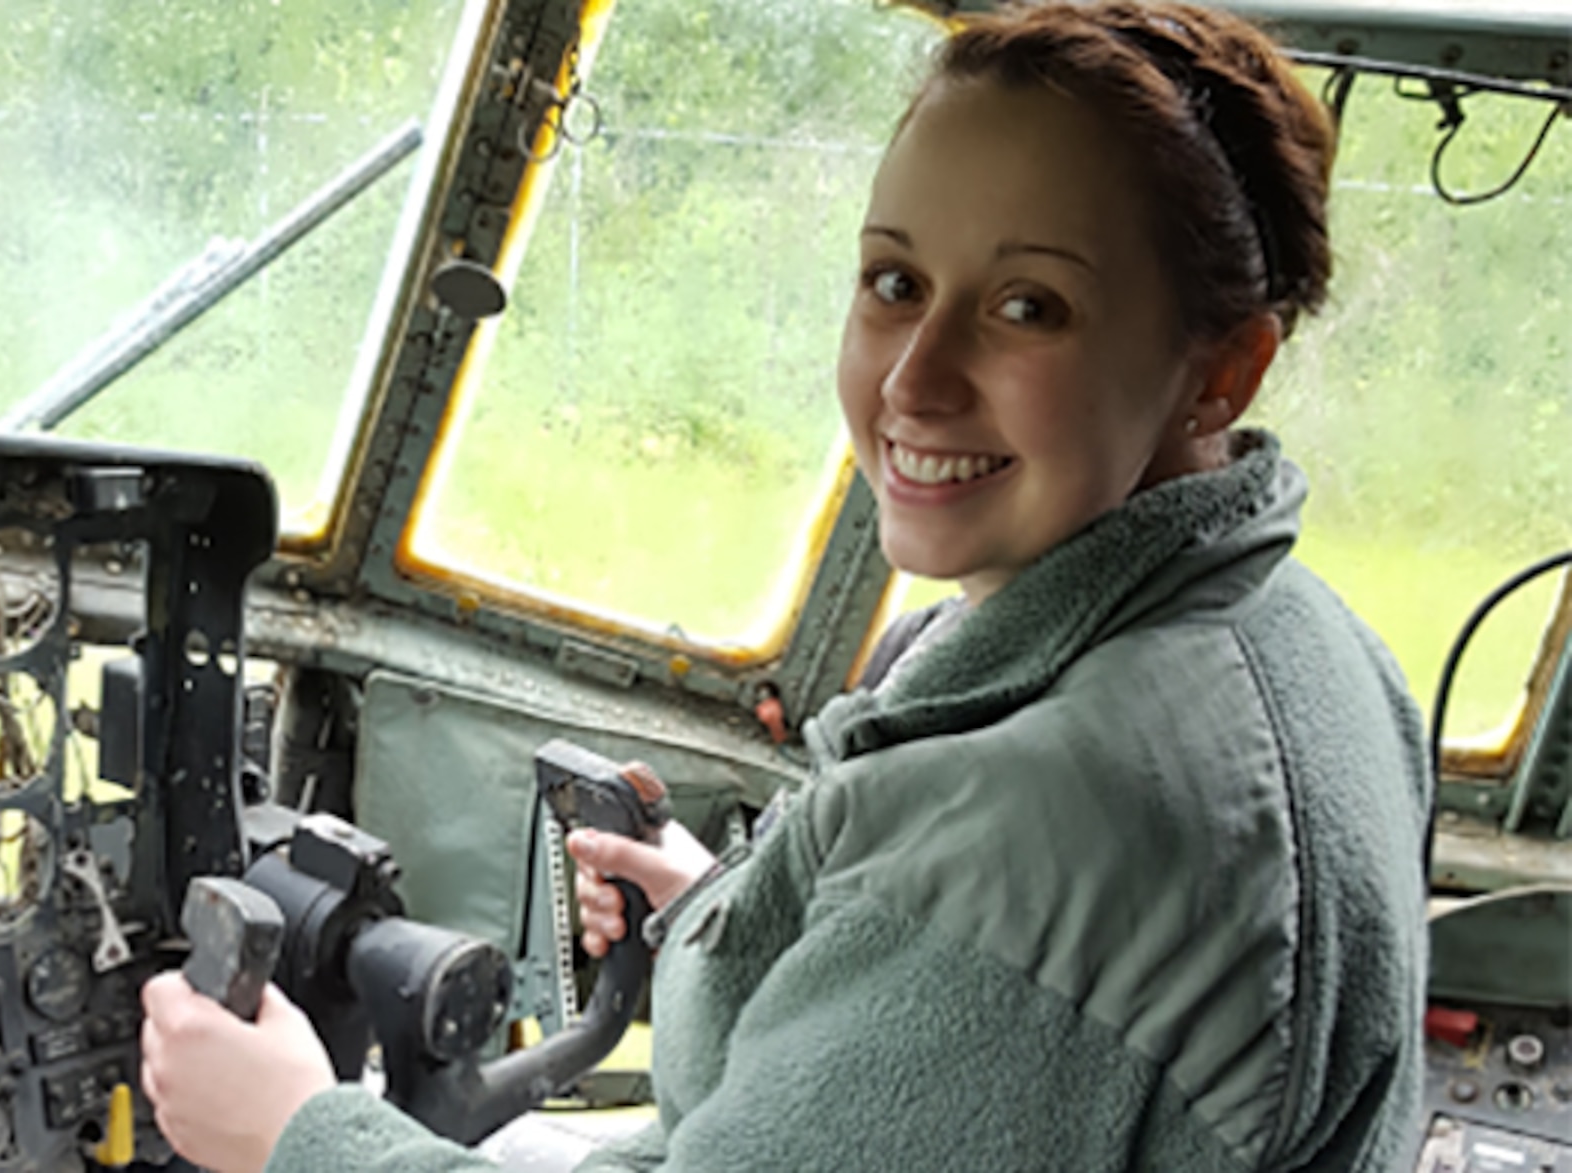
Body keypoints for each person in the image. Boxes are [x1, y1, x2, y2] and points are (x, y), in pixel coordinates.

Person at [138, 3, 1431, 1169]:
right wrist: (729, 907)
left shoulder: (1061, 822)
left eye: (1031, 305)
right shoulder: (1312, 649)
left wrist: (298, 1134)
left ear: (1221, 373)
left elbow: (1010, 942)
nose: (915, 380)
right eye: (895, 282)